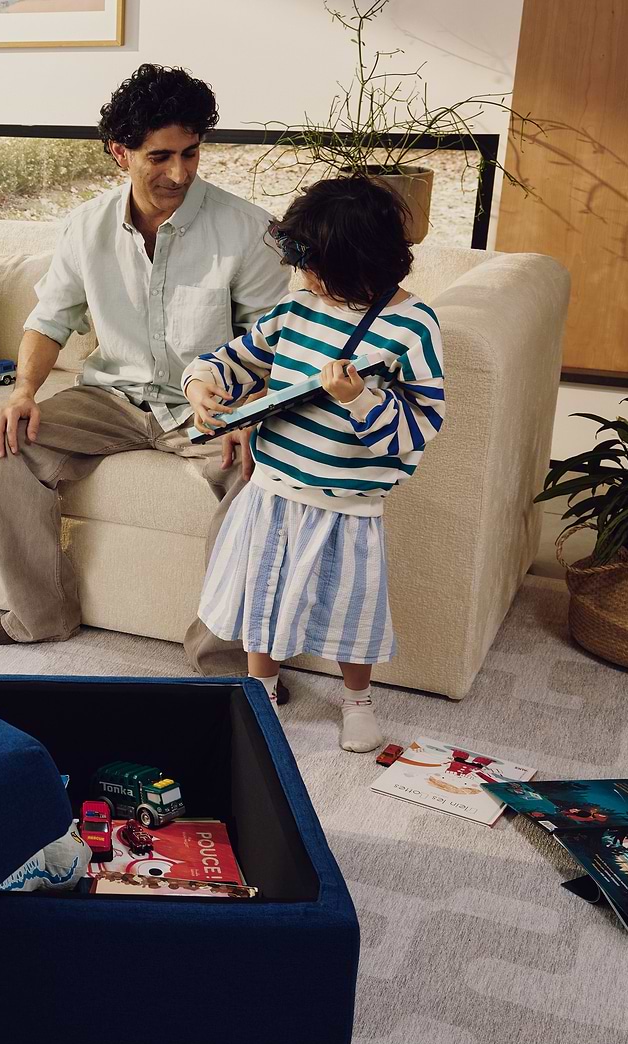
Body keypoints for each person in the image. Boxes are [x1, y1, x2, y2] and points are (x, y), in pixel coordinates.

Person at [0, 64, 284, 684]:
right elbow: (49, 319)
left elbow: (274, 339)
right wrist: (24, 392)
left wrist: (257, 412)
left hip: (210, 404)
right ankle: (39, 616)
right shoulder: (85, 227)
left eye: (191, 153)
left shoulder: (247, 230)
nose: (179, 173)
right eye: (159, 156)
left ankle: (223, 661)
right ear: (121, 153)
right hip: (110, 397)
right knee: (7, 443)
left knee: (262, 478)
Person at [186, 175, 447, 751]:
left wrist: (360, 400)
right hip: (273, 488)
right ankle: (261, 692)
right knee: (263, 594)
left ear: (356, 260)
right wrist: (201, 384)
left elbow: (423, 423)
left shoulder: (413, 325)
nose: (302, 275)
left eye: (313, 264)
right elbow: (238, 358)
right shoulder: (297, 307)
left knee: (352, 607)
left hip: (349, 501)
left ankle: (357, 701)